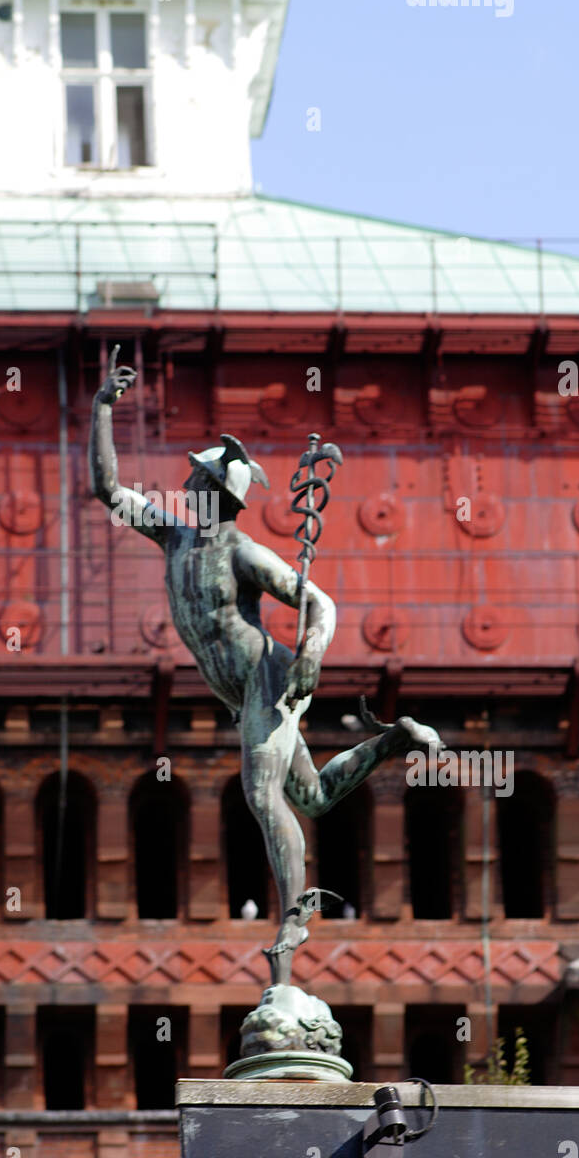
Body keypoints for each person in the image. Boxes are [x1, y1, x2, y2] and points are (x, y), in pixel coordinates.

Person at [89, 347, 442, 984]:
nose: (187, 481)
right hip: (242, 694)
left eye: (197, 477)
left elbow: (317, 600)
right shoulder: (171, 536)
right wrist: (102, 411)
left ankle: (292, 918)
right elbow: (107, 490)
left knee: (260, 790)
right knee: (313, 796)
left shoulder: (243, 552)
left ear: (213, 491)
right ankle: (396, 737)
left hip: (268, 676)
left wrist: (310, 652)